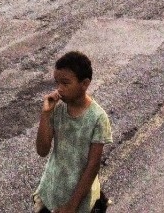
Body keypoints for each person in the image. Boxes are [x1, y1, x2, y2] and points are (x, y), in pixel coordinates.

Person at [34, 51, 112, 213]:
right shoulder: (57, 108)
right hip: (52, 189)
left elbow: (92, 166)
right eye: (57, 83)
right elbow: (42, 150)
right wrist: (46, 114)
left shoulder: (97, 117)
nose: (59, 89)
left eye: (65, 83)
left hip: (79, 197)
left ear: (84, 84)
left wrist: (72, 206)